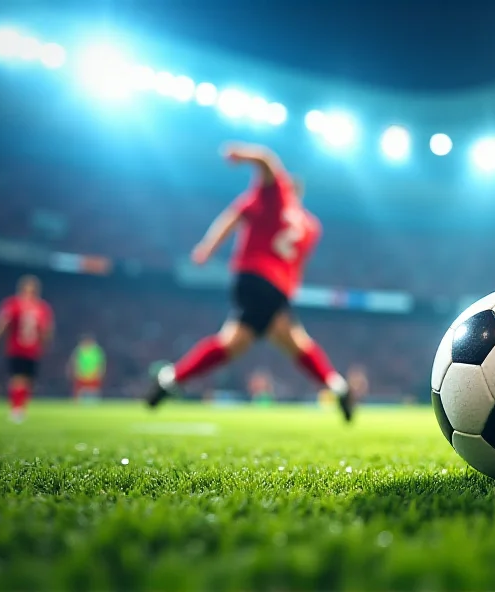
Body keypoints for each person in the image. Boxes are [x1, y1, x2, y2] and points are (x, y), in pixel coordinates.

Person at [145, 142, 355, 421]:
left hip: (253, 277)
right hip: (277, 287)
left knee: (239, 342)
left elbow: (265, 163)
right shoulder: (310, 226)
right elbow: (296, 265)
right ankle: (337, 387)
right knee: (284, 341)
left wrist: (241, 155)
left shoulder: (273, 197)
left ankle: (171, 379)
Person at [0, 275, 55, 422]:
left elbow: (47, 329)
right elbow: (2, 323)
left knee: (27, 381)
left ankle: (20, 408)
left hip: (32, 350)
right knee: (18, 379)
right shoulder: (23, 305)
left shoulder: (26, 305)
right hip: (17, 348)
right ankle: (16, 409)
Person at [68, 334, 106, 402]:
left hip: (93, 376)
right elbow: (74, 362)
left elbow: (101, 363)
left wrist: (99, 373)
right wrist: (74, 372)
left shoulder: (97, 350)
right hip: (80, 376)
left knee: (93, 394)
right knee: (79, 395)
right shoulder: (79, 350)